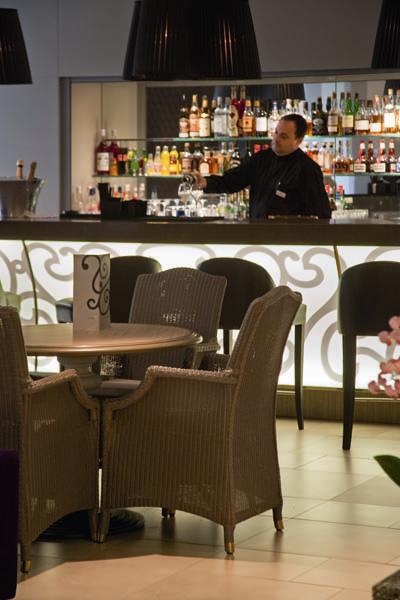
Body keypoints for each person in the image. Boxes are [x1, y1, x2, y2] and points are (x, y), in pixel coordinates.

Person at [196, 113, 332, 219]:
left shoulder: (307, 169)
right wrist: (205, 182)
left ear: (298, 140)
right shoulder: (260, 159)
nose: (276, 139)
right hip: (258, 235)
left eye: (283, 136)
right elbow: (232, 181)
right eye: (276, 133)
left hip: (289, 238)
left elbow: (321, 214)